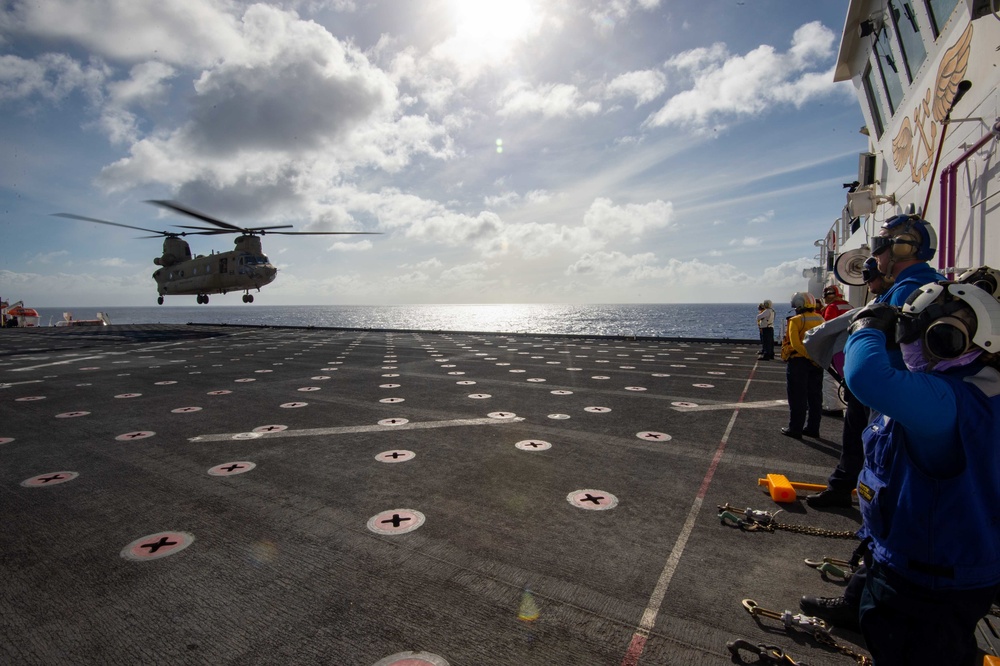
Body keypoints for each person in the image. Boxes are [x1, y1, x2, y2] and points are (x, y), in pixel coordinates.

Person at [842, 279, 1000, 665]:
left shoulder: (949, 402)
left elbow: (866, 376)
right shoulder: (979, 386)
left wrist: (865, 327)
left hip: (924, 586)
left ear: (944, 338)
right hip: (952, 568)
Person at [780, 292, 824, 439]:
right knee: (815, 397)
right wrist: (815, 358)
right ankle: (813, 428)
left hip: (799, 362)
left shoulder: (796, 320)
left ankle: (795, 428)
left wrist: (807, 355)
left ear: (799, 304)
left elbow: (795, 343)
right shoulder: (820, 318)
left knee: (797, 396)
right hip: (817, 362)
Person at [819, 285, 853, 416]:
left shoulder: (832, 308)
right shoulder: (850, 307)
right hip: (849, 345)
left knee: (829, 376)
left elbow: (826, 328)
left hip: (835, 346)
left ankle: (833, 407)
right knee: (844, 375)